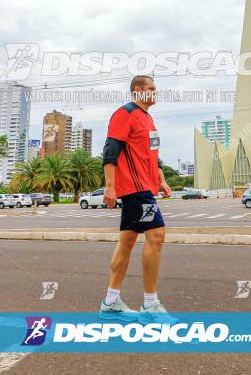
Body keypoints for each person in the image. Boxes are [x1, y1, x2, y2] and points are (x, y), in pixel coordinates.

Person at [99, 75, 175, 323]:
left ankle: (111, 302)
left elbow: (151, 156)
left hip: (146, 186)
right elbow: (110, 151)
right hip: (134, 188)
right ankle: (150, 305)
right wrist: (110, 186)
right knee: (156, 234)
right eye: (151, 88)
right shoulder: (125, 113)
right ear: (138, 91)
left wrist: (161, 179)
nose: (155, 92)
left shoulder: (148, 118)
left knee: (128, 240)